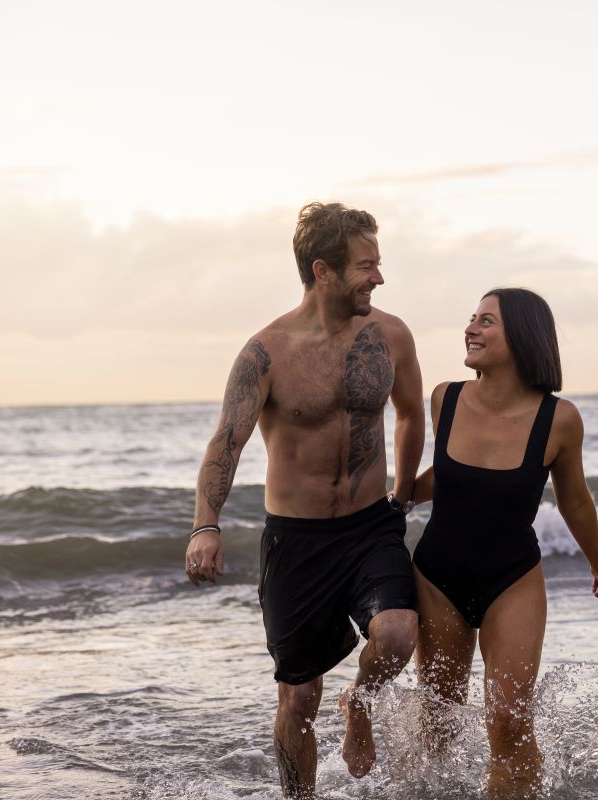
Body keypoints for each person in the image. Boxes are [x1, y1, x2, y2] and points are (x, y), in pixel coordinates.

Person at [182, 202, 424, 799]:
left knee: (396, 635)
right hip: (298, 541)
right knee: (298, 696)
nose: (379, 277)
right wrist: (204, 526)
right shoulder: (266, 351)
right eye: (366, 265)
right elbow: (227, 441)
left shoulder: (391, 336)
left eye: (378, 263)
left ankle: (361, 702)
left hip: (372, 527)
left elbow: (412, 414)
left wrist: (402, 492)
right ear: (323, 271)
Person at [409, 287, 598, 800]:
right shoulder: (446, 398)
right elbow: (452, 474)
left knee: (507, 718)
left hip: (513, 578)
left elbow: (574, 501)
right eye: (472, 318)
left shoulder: (560, 419)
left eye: (486, 321)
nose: (471, 328)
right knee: (439, 722)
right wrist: (397, 498)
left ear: (522, 337)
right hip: (437, 575)